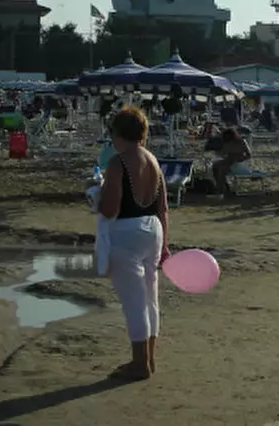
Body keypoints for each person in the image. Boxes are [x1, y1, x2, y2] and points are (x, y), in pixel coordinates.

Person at [99, 106, 169, 381]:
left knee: (134, 303)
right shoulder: (152, 160)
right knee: (150, 299)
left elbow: (109, 209)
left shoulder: (118, 162)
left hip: (127, 231)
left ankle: (139, 364)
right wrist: (164, 245)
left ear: (119, 133)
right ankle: (149, 359)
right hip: (153, 229)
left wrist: (96, 193)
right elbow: (163, 208)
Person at [211, 127, 251, 197]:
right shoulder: (227, 143)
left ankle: (220, 189)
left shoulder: (242, 142)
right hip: (229, 161)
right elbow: (222, 153)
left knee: (222, 169)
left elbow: (249, 155)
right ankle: (222, 185)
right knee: (215, 165)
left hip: (239, 163)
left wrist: (240, 158)